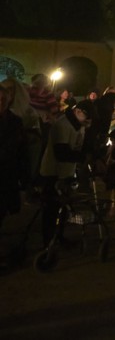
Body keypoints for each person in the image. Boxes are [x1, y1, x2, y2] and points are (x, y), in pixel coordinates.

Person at [38, 98, 92, 248]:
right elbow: (61, 153)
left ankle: (59, 237)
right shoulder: (62, 125)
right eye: (87, 117)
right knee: (51, 210)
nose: (88, 121)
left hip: (66, 172)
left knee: (62, 209)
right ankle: (47, 243)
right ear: (78, 111)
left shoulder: (78, 124)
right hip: (53, 172)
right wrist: (82, 157)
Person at [0, 81, 29, 270]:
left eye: (4, 99)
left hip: (6, 176)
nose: (1, 102)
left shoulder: (15, 121)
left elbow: (22, 153)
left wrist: (24, 179)